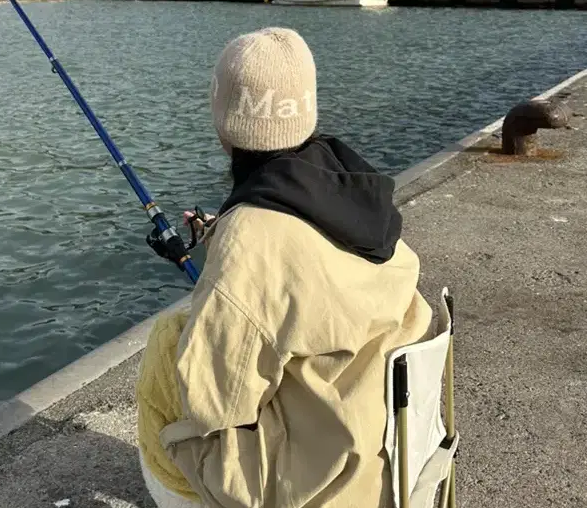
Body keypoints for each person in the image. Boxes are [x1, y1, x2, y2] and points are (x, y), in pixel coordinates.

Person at [136, 26, 433, 508]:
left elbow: (217, 404)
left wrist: (231, 255)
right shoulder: (357, 191)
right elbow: (303, 263)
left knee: (167, 347)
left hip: (320, 483)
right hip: (389, 445)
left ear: (223, 119)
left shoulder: (250, 239)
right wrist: (227, 234)